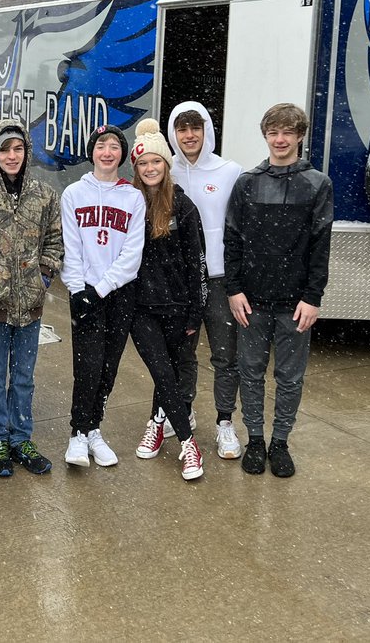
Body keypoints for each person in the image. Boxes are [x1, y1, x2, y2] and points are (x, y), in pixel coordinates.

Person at [224, 103, 333, 478]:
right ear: (265, 135)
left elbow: (321, 244)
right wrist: (234, 289)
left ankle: (280, 442)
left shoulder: (317, 184)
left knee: (290, 377)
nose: (280, 139)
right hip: (251, 301)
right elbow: (233, 239)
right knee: (250, 372)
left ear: (300, 136)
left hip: (296, 303)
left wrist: (313, 296)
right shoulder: (248, 182)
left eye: (288, 132)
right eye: (273, 132)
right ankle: (255, 439)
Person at [0, 118, 64, 477]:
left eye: (18, 148)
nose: (12, 156)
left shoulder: (44, 195)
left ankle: (21, 438)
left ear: (27, 151)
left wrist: (42, 275)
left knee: (23, 376)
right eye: (5, 149)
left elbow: (55, 240)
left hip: (30, 305)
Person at [60, 125, 146, 468]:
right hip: (84, 294)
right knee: (87, 366)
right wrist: (79, 290)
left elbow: (132, 254)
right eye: (101, 146)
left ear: (122, 154)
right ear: (91, 152)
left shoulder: (132, 197)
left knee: (109, 367)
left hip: (118, 294)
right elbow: (72, 248)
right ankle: (77, 436)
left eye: (114, 146)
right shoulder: (73, 194)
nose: (107, 152)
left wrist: (102, 289)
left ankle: (94, 430)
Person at [127, 119, 207, 481]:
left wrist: (196, 311)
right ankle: (190, 445)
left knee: (170, 375)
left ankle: (157, 422)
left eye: (156, 162)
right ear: (136, 168)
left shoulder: (184, 208)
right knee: (162, 371)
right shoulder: (128, 205)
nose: (150, 169)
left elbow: (198, 264)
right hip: (140, 308)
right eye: (143, 164)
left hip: (178, 308)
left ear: (166, 164)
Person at [167, 100, 245, 459]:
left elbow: (242, 229)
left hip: (218, 280)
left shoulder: (230, 172)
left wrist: (238, 282)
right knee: (181, 353)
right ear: (174, 133)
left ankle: (225, 423)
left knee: (225, 355)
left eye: (195, 128)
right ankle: (183, 411)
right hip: (181, 283)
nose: (189, 135)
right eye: (182, 129)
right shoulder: (166, 172)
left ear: (207, 130)